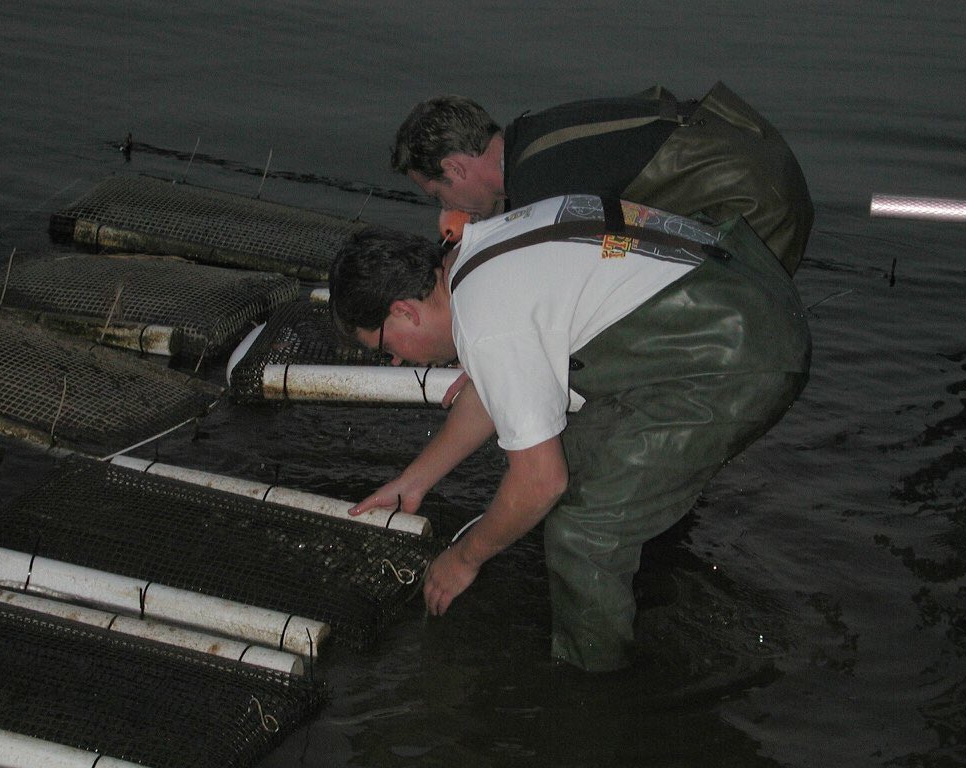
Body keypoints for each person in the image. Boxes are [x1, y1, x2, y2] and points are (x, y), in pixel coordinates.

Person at [329, 194, 811, 671]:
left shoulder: (486, 322)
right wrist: (414, 481)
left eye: (385, 349)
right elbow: (496, 392)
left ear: (404, 313)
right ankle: (644, 580)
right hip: (741, 284)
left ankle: (592, 695)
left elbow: (541, 481)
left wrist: (464, 558)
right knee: (572, 462)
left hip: (737, 352)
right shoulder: (475, 256)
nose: (395, 361)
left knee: (583, 532)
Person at [391, 82, 813, 275]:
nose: (448, 208)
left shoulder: (541, 186)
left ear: (456, 169)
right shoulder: (532, 137)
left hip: (757, 203)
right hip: (759, 150)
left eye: (439, 195)